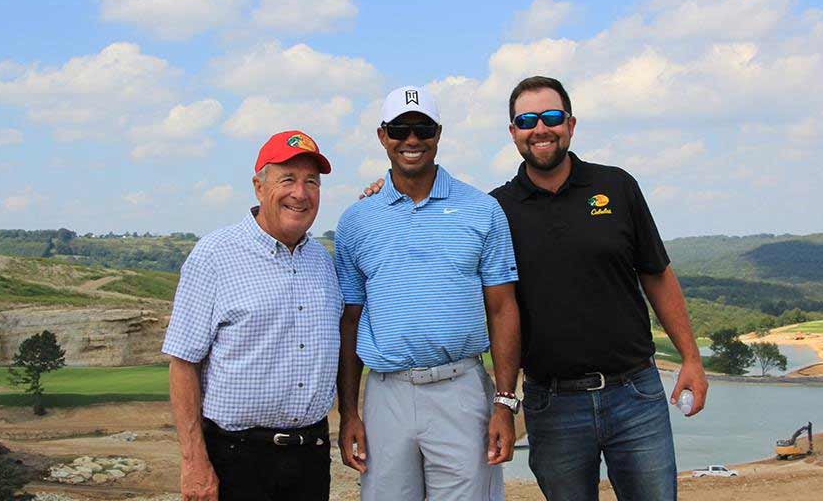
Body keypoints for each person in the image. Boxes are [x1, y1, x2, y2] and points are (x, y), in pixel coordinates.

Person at [362, 77, 708, 500]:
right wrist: (384, 191)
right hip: (553, 402)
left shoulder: (617, 187)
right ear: (513, 132)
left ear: (571, 124)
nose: (540, 129)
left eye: (551, 117)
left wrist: (691, 357)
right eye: (527, 121)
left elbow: (656, 274)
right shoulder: (496, 209)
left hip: (634, 392)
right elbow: (489, 298)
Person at [335, 85, 522, 501]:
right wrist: (348, 412)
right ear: (382, 136)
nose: (412, 140)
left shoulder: (482, 210)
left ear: (438, 134)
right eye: (399, 129)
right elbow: (350, 319)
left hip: (461, 388)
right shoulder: (356, 221)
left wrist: (505, 403)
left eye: (423, 129)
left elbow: (502, 308)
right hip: (387, 393)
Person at [162, 130, 341, 501]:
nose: (300, 193)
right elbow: (183, 364)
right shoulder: (214, 255)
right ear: (259, 187)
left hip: (310, 457)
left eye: (311, 182)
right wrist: (193, 461)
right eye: (287, 179)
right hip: (236, 458)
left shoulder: (323, 262)